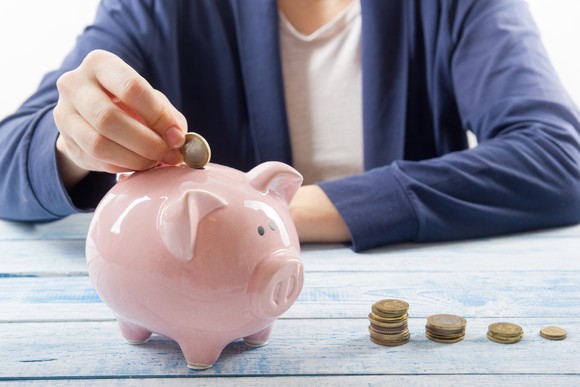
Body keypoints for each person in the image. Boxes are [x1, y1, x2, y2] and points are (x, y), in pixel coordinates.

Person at [0, 0, 579, 252]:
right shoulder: (162, 9)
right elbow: (10, 155)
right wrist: (74, 141)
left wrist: (280, 213)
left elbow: (558, 156)